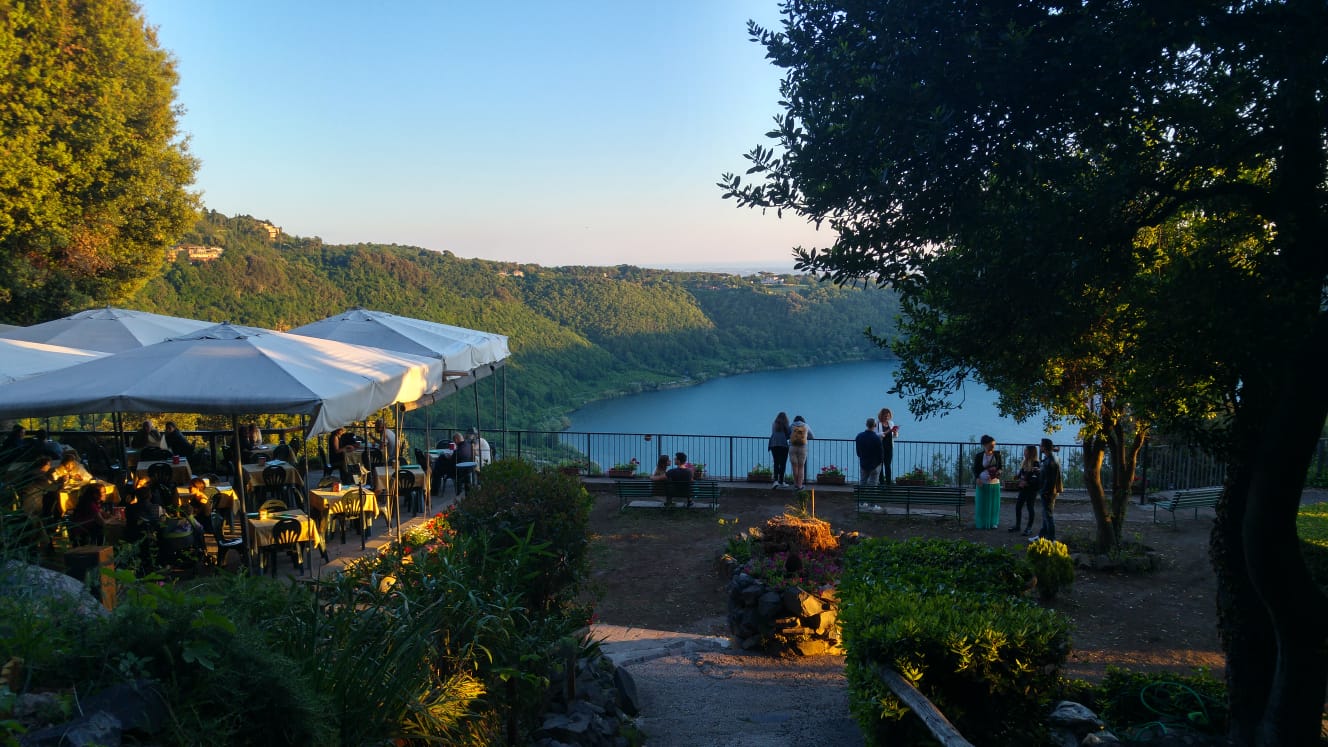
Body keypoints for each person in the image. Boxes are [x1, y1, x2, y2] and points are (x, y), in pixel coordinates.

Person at [1034, 438, 1064, 542]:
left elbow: (1050, 479)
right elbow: (1049, 474)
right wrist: (1040, 470)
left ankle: (1051, 538)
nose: (1040, 447)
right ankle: (1042, 536)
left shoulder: (1050, 461)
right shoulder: (1052, 458)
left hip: (1048, 492)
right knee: (1045, 514)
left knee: (1048, 515)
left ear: (1044, 447)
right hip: (1050, 491)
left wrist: (1046, 492)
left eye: (1041, 445)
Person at [971, 435, 1003, 529]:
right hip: (983, 482)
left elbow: (1000, 467)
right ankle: (982, 522)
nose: (993, 447)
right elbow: (975, 469)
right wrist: (977, 478)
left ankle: (993, 522)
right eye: (991, 445)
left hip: (994, 482)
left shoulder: (997, 455)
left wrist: (999, 471)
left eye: (994, 445)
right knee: (982, 504)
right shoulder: (979, 456)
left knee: (994, 504)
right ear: (985, 445)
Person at [1009, 445, 1041, 534]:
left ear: (1031, 452)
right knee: (1018, 506)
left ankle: (1029, 528)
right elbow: (1022, 473)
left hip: (1031, 490)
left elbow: (1036, 478)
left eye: (1026, 451)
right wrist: (1017, 476)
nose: (1024, 452)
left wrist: (1027, 483)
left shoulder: (1035, 463)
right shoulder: (1025, 462)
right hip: (1023, 489)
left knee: (1030, 507)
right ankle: (1017, 526)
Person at [855, 418, 884, 486]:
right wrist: (879, 462)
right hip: (875, 464)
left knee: (863, 482)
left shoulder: (859, 436)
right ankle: (872, 496)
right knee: (873, 483)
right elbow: (881, 453)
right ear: (875, 425)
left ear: (866, 425)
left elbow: (858, 452)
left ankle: (861, 495)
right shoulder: (877, 438)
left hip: (864, 463)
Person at [788, 415, 813, 490]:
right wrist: (805, 437)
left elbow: (787, 435)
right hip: (802, 448)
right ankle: (800, 485)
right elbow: (812, 436)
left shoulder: (792, 425)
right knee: (801, 466)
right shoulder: (806, 426)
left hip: (792, 447)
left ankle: (796, 484)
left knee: (794, 466)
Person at [768, 412, 792, 489]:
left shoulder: (774, 424)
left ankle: (775, 481)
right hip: (783, 445)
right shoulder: (786, 425)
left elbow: (773, 433)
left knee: (776, 462)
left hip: (773, 444)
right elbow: (789, 435)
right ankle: (781, 481)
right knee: (782, 463)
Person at [877, 407, 899, 485]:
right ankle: (881, 482)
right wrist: (887, 431)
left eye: (888, 416)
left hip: (889, 447)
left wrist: (895, 433)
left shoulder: (891, 423)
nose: (886, 417)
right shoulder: (878, 424)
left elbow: (894, 436)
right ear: (881, 416)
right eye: (885, 416)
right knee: (880, 466)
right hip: (880, 448)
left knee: (888, 465)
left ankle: (888, 483)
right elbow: (877, 435)